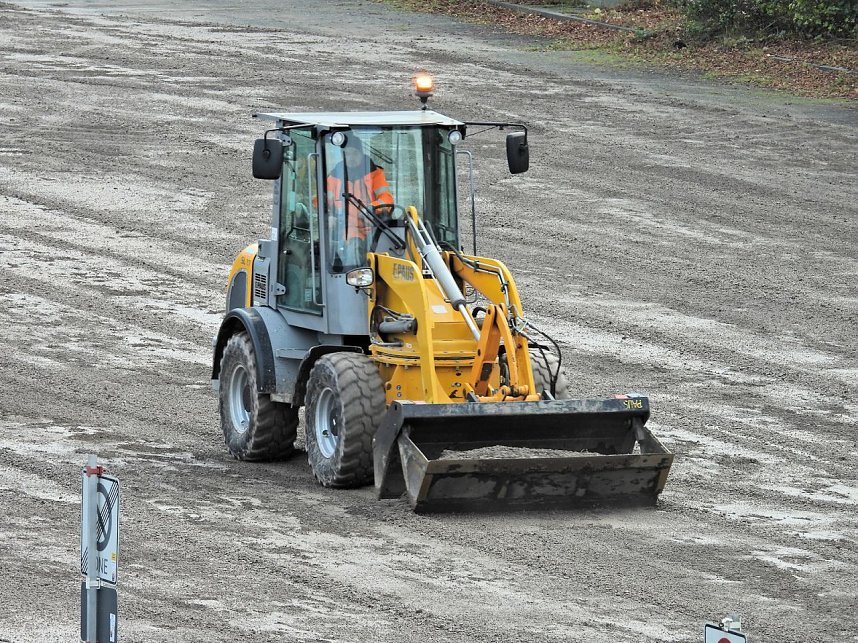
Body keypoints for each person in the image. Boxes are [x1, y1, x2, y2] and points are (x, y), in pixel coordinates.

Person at [325, 137, 394, 245]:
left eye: (355, 153)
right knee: (352, 249)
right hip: (347, 229)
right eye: (348, 154)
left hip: (373, 225)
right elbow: (322, 202)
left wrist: (371, 208)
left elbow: (386, 199)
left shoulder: (375, 174)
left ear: (361, 154)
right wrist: (329, 216)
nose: (351, 157)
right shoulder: (334, 177)